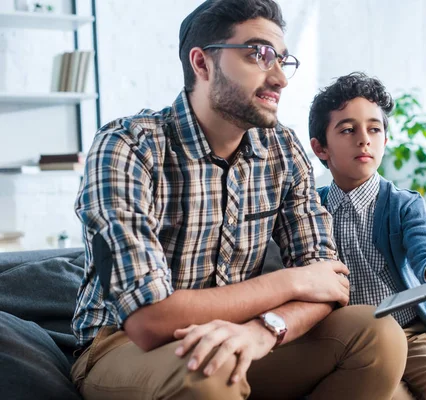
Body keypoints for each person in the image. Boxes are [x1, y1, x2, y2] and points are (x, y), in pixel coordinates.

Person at [70, 2, 407, 399]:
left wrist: (265, 329)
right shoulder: (128, 147)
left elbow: (330, 284)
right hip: (121, 344)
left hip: (241, 335)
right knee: (212, 374)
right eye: (258, 55)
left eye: (282, 60)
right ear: (202, 63)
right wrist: (291, 280)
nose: (279, 78)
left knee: (378, 333)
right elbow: (148, 321)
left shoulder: (282, 148)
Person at [309, 72, 426, 399]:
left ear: (385, 141)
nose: (364, 139)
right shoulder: (309, 208)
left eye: (374, 129)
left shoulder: (404, 205)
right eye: (348, 130)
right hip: (351, 343)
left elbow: (425, 244)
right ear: (320, 148)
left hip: (411, 333)